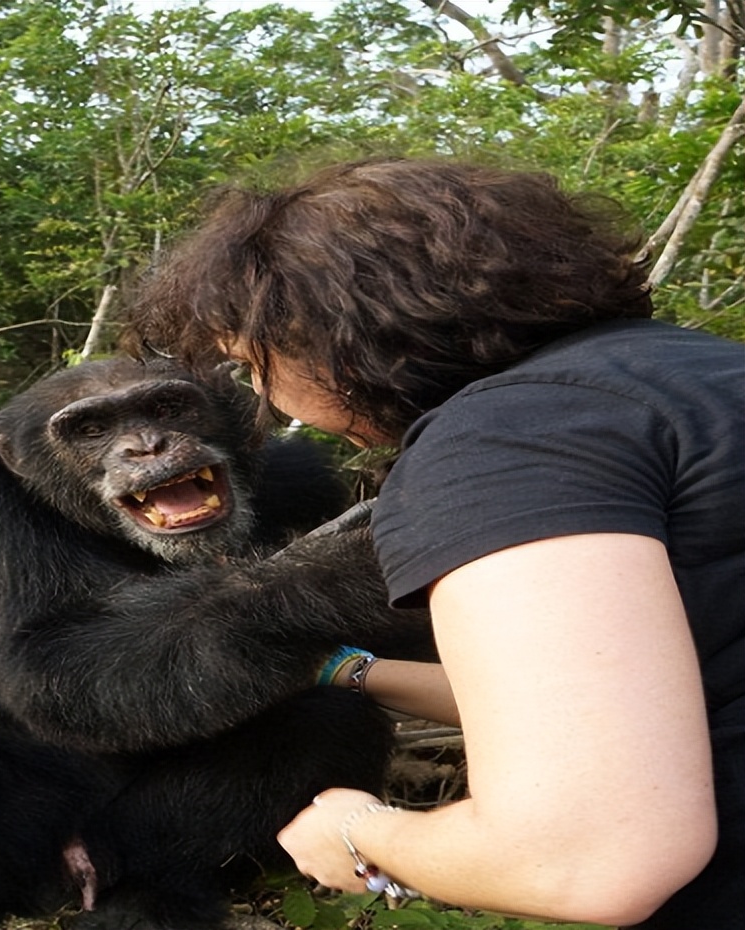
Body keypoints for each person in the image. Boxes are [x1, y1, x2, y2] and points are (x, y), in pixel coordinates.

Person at [124, 156, 744, 929]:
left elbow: (586, 855)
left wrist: (362, 830)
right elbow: (610, 687)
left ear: (333, 338)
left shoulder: (504, 441)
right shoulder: (696, 375)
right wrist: (345, 669)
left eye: (255, 366)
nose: (266, 399)